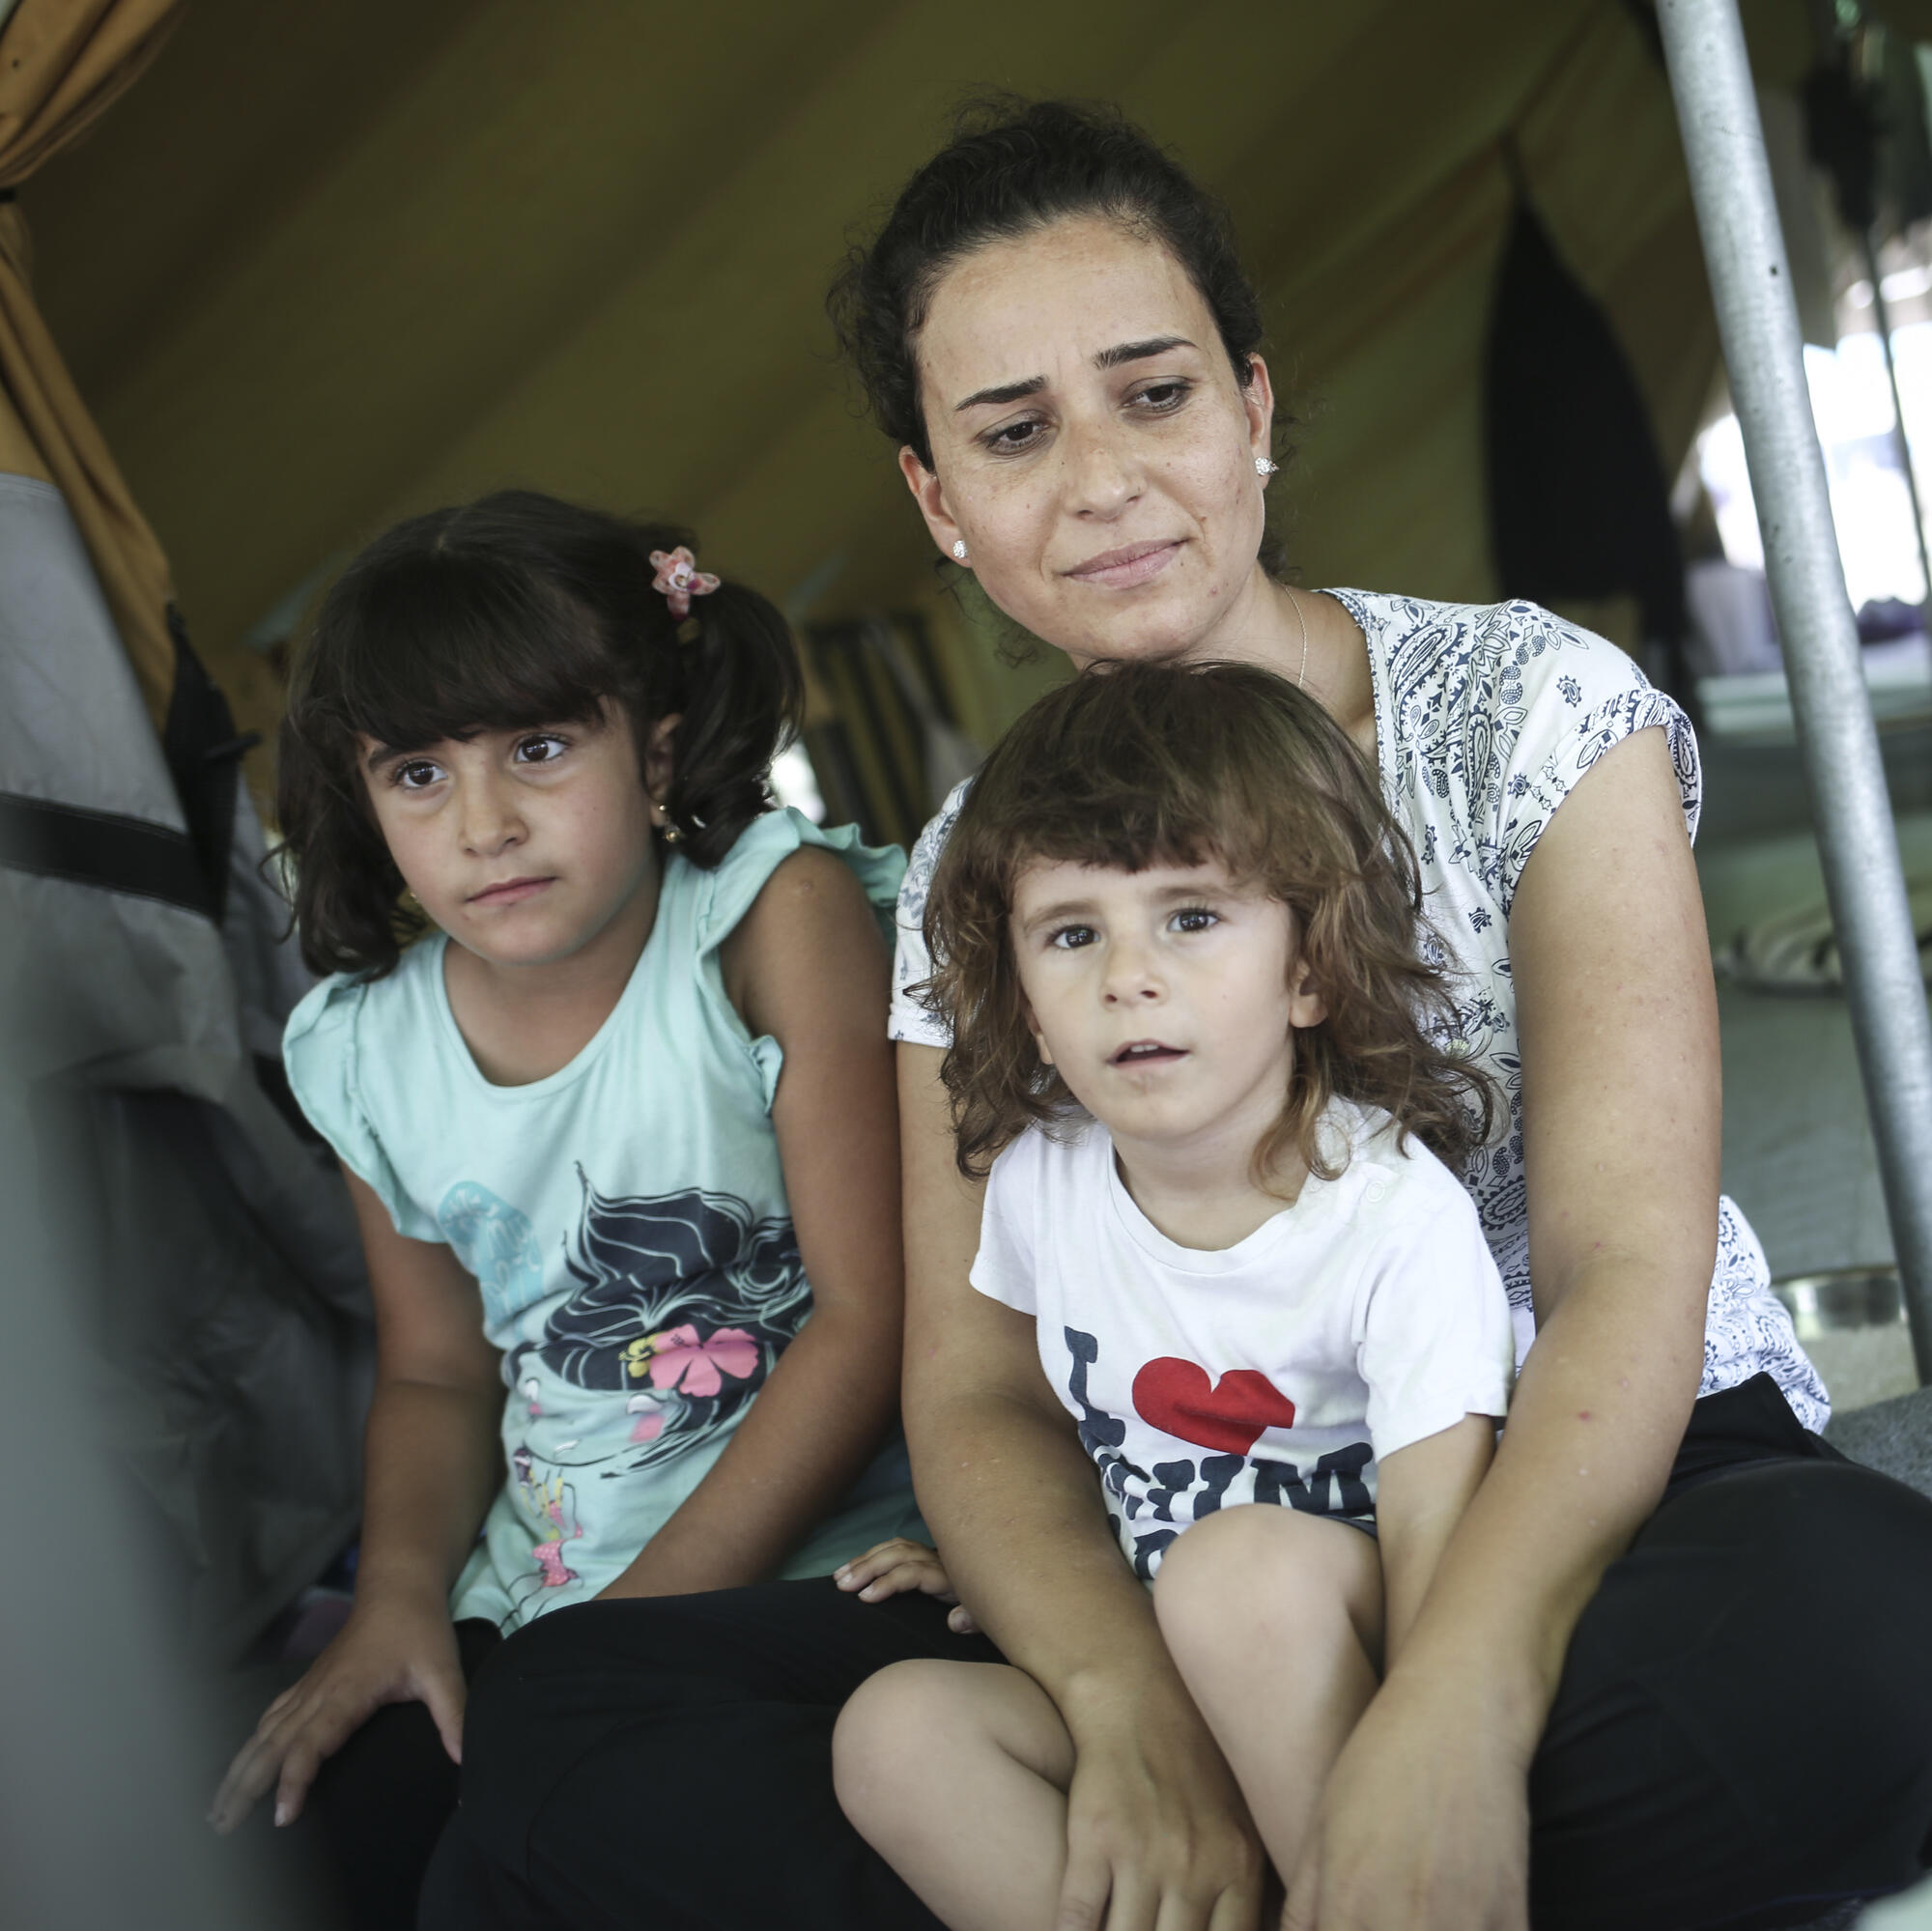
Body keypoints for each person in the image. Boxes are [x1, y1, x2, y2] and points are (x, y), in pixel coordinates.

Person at [439, 100, 1932, 1931]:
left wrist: (1460, 1701)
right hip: (1186, 1519)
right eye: (1012, 432)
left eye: (1155, 395)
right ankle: (1291, 1845)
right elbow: (974, 1383)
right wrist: (1124, 1708)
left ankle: (1303, 1846)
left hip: (1590, 1483)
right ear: (938, 503)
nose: (1101, 478)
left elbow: (1628, 1265)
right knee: (567, 1727)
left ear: (1255, 406)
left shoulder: (1532, 706)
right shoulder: (977, 868)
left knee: (1863, 1637)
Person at [205, 491, 923, 1929]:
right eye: (418, 774)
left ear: (654, 744)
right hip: (532, 1601)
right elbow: (431, 1367)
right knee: (289, 1857)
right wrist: (403, 1600)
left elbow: (865, 1317)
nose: (485, 825)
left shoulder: (768, 919)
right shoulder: (360, 1050)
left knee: (536, 1866)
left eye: (538, 749)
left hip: (828, 1575)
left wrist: (613, 1650)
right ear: (360, 798)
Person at [830, 658, 1518, 1924]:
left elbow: (1441, 1547)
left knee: (1237, 1576)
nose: (1126, 976)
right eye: (1073, 933)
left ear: (1311, 968)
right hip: (1166, 1665)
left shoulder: (1388, 1217)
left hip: (1334, 1660)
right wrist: (1000, 1567)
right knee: (898, 1732)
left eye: (1191, 918)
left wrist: (1434, 1763)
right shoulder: (1041, 1177)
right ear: (1027, 1004)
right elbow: (1068, 1433)